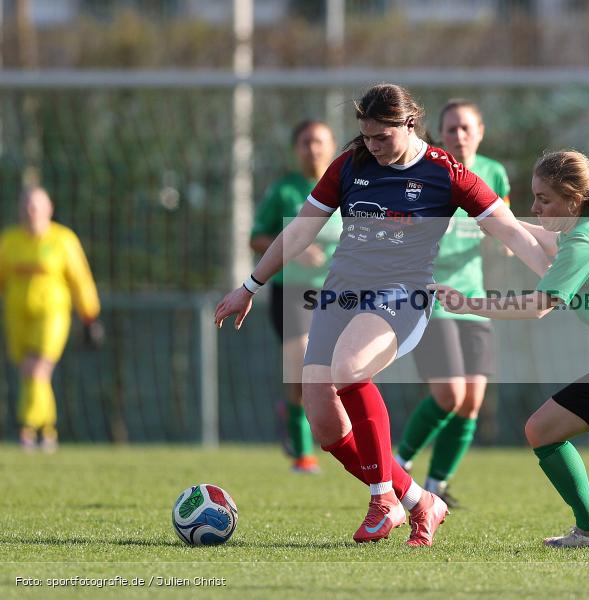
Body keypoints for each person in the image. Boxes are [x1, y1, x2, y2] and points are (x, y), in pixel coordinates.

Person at [214, 84, 550, 547]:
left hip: (402, 295)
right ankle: (419, 500)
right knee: (325, 423)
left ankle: (382, 500)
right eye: (366, 137)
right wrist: (249, 286)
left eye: (381, 138)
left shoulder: (445, 172)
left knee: (349, 369)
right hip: (339, 295)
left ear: (409, 125)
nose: (372, 147)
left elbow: (511, 232)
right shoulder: (350, 165)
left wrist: (556, 285)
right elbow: (299, 232)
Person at [431, 150, 589, 556]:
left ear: (574, 199)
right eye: (534, 197)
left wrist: (467, 303)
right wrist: (493, 218)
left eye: (544, 200)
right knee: (542, 430)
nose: (536, 207)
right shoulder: (580, 234)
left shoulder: (585, 243)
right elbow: (541, 236)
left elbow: (538, 306)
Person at [397, 99, 511, 507]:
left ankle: (437, 485)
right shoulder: (428, 172)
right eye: (450, 130)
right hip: (432, 296)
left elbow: (504, 224)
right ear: (438, 135)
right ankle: (398, 464)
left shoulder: (494, 172)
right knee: (449, 394)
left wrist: (509, 243)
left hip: (473, 300)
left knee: (472, 402)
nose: (459, 136)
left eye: (466, 128)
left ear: (480, 131)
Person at [250, 119, 339, 474]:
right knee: (302, 365)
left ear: (333, 146)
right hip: (291, 290)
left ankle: (293, 414)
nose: (313, 148)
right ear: (296, 149)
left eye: (319, 141)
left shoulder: (347, 189)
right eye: (305, 142)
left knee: (331, 372)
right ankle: (304, 454)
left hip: (336, 291)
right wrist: (295, 249)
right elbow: (257, 237)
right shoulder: (284, 191)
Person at [0, 186, 103, 452]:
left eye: (36, 206)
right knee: (31, 374)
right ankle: (47, 430)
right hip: (17, 315)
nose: (30, 211)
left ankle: (26, 429)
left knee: (37, 369)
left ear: (49, 209)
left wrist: (89, 315)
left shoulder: (62, 240)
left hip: (52, 314)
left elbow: (80, 279)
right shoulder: (9, 242)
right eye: (26, 205)